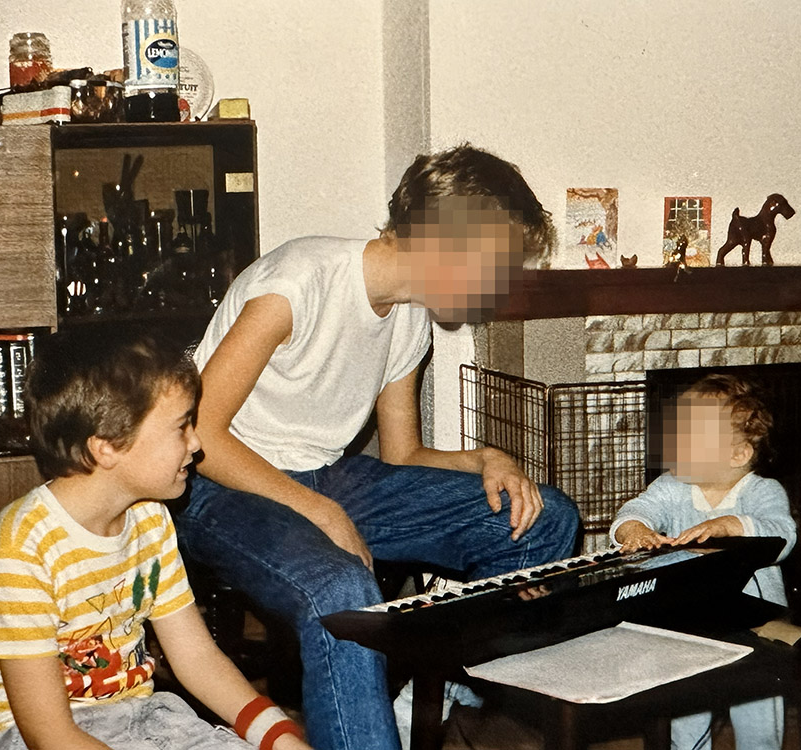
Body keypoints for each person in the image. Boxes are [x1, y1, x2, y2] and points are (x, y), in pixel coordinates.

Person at [176, 143, 581, 750]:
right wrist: (320, 511)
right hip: (219, 487)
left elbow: (401, 455)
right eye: (495, 265)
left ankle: (431, 688)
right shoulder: (296, 283)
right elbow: (201, 433)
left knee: (545, 519)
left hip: (328, 478)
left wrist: (484, 459)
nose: (498, 286)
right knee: (342, 588)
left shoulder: (409, 317)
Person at [0, 331, 312, 750]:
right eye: (182, 426)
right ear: (107, 447)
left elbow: (197, 659)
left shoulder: (150, 519)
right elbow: (48, 734)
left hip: (140, 717)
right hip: (27, 737)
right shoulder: (20, 550)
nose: (197, 443)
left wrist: (276, 733)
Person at [609, 373, 797, 750]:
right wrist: (632, 529)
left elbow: (783, 533)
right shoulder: (670, 489)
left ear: (737, 454)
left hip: (755, 626)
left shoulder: (761, 491)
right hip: (688, 624)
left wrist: (732, 524)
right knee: (686, 708)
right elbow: (638, 508)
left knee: (758, 711)